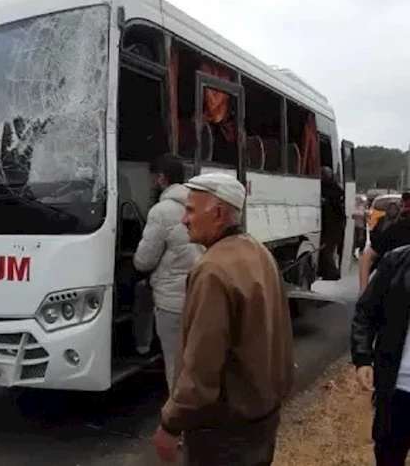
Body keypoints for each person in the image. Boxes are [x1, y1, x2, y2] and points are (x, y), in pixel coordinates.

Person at [152, 173, 294, 465]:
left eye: (191, 210)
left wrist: (170, 424)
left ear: (218, 214)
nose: (184, 219)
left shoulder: (213, 269)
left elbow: (202, 365)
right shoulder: (259, 252)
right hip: (263, 419)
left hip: (223, 432)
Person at [132, 154, 203, 389]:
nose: (151, 182)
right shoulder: (199, 205)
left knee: (175, 364)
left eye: (152, 177)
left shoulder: (161, 211)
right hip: (200, 296)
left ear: (161, 178)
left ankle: (179, 418)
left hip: (172, 303)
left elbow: (144, 261)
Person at [351, 242, 410, 465]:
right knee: (389, 455)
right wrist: (363, 357)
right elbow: (366, 312)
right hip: (397, 388)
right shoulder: (396, 261)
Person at [358, 195, 410, 293]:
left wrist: (363, 291)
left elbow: (367, 257)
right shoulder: (395, 229)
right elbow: (367, 256)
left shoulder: (396, 229)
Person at [319, 166, 346, 280]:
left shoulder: (332, 189)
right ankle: (329, 272)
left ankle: (333, 273)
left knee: (327, 250)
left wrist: (325, 202)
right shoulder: (335, 188)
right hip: (334, 224)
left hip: (333, 224)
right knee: (328, 250)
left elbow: (333, 207)